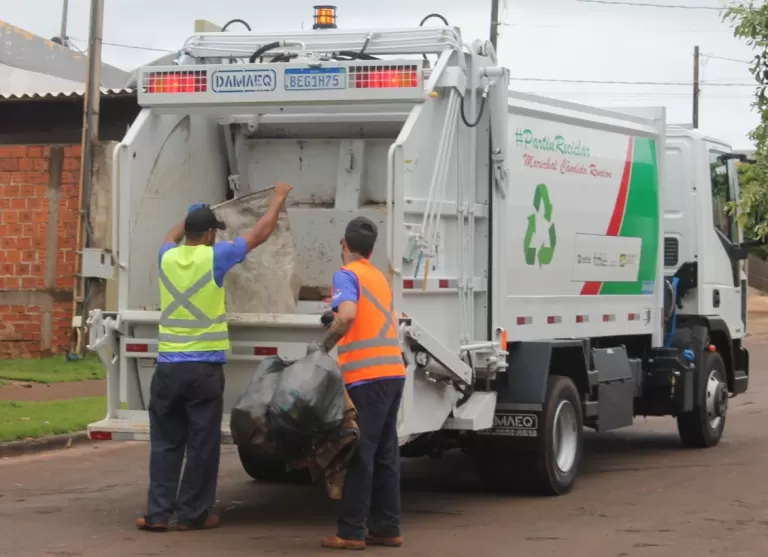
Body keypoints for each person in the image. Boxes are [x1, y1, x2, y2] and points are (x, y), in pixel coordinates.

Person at [136, 183, 292, 533]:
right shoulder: (215, 257)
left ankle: (157, 514)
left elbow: (169, 234)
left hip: (167, 369)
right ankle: (194, 514)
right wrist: (277, 200)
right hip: (202, 370)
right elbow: (259, 234)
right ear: (208, 234)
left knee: (165, 443)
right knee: (201, 446)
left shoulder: (166, 256)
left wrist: (190, 214)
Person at [318, 216, 407, 550]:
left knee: (359, 453)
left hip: (367, 377)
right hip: (393, 371)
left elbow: (350, 314)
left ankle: (351, 532)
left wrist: (322, 347)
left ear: (344, 244)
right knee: (385, 453)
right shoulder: (378, 277)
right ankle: (387, 527)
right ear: (371, 249)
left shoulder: (347, 274)